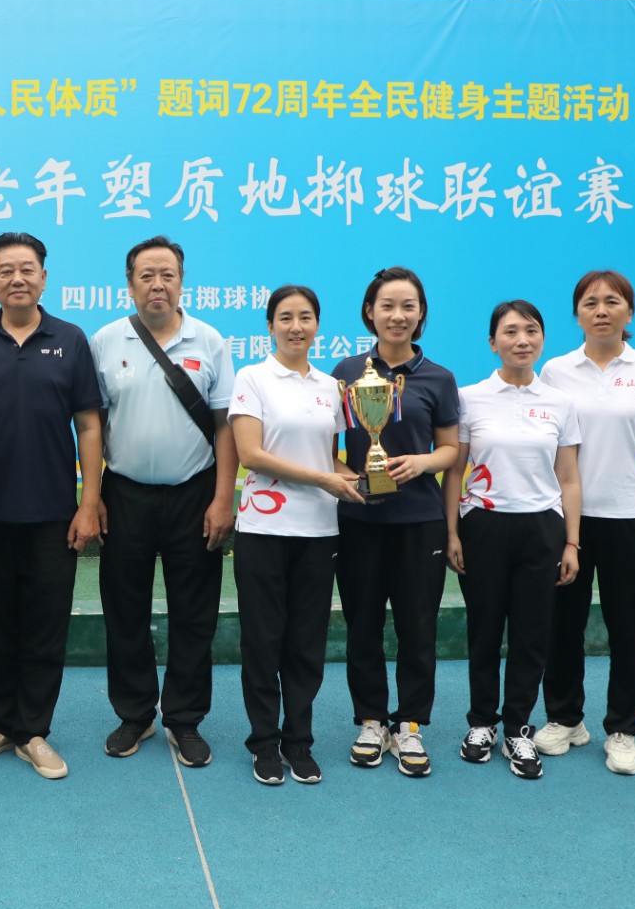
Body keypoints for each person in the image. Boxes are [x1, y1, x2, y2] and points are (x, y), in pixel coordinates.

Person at [0, 233, 103, 781]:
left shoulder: (71, 339)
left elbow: (89, 424)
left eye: (27, 269)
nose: (17, 278)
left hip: (52, 513)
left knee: (44, 626)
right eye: (5, 270)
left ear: (44, 277)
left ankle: (34, 731)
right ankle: (2, 724)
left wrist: (89, 503)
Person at [90, 235, 235, 767]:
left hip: (195, 494)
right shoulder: (106, 340)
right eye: (147, 275)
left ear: (182, 282)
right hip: (124, 494)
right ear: (130, 285)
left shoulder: (209, 340)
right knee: (124, 609)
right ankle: (134, 714)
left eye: (167, 275)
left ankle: (185, 718)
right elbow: (92, 424)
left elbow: (225, 425)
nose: (158, 284)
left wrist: (224, 498)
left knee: (194, 612)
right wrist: (92, 496)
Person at [537, 270, 635, 776]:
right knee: (562, 625)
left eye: (612, 301)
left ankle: (622, 729)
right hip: (566, 520)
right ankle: (565, 718)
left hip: (631, 517)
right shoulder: (555, 371)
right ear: (577, 313)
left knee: (628, 630)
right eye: (590, 302)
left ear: (629, 312)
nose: (601, 310)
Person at [230, 286, 363, 785]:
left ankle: (298, 741)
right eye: (285, 317)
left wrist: (362, 479)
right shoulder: (252, 377)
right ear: (270, 326)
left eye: (305, 317)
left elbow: (328, 457)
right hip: (264, 528)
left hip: (319, 530)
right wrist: (325, 479)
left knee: (306, 643)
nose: (296, 327)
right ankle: (264, 743)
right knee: (263, 641)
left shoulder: (330, 387)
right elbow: (251, 455)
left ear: (317, 325)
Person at [330, 267, 459, 777]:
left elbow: (450, 448)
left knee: (417, 626)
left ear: (421, 313)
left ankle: (409, 725)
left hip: (420, 521)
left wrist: (423, 462)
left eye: (408, 306)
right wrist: (349, 477)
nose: (397, 315)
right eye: (387, 305)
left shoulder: (439, 378)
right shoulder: (346, 372)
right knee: (362, 624)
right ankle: (370, 720)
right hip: (358, 520)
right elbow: (327, 448)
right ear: (370, 312)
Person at [444, 299, 581, 780]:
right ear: (492, 342)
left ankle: (519, 727)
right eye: (510, 331)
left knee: (531, 634)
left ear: (542, 339)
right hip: (483, 525)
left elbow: (569, 478)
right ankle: (481, 723)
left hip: (542, 529)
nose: (522, 340)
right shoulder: (469, 398)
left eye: (531, 330)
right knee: (484, 630)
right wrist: (452, 531)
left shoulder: (561, 403)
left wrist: (571, 543)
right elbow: (455, 470)